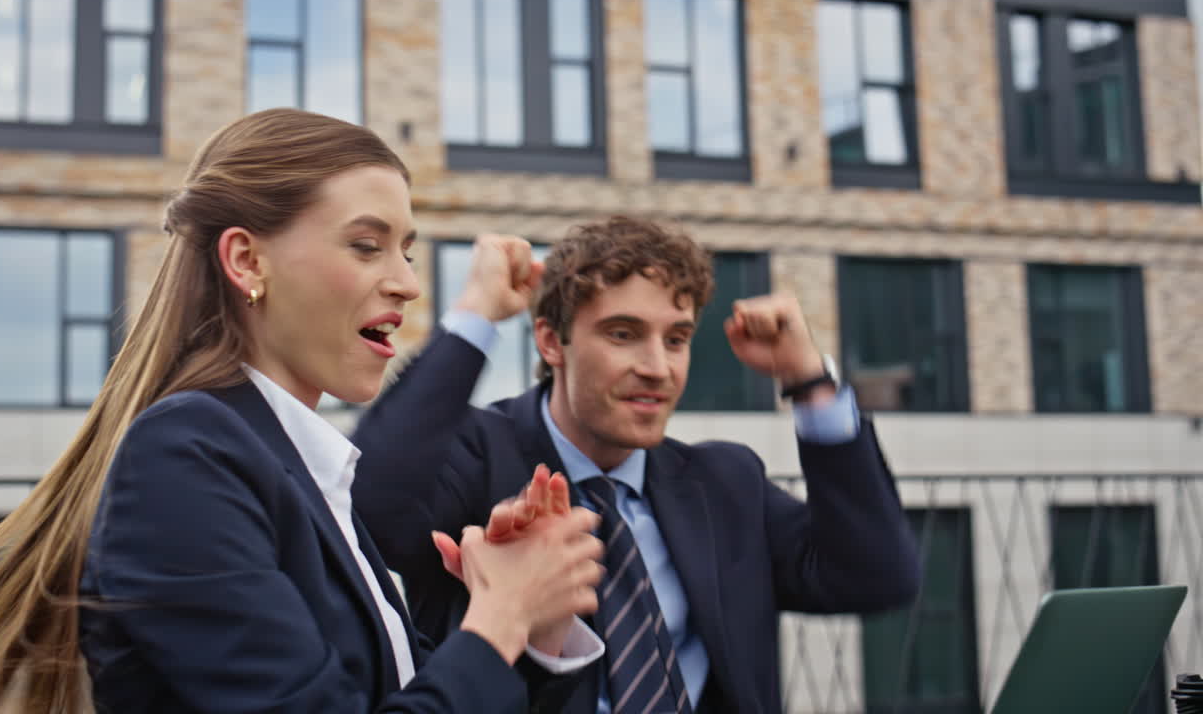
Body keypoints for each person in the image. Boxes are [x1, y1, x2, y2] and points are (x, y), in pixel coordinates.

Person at [0, 109, 607, 714]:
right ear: (247, 261)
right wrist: (499, 618)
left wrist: (534, 627)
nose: (405, 281)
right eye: (366, 245)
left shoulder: (304, 474)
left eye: (405, 248)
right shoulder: (184, 456)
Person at [352, 217, 922, 713]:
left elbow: (876, 577)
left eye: (676, 339)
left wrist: (810, 384)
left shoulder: (725, 482)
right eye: (623, 334)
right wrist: (477, 314)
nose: (657, 367)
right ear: (551, 342)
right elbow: (368, 509)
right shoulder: (471, 454)